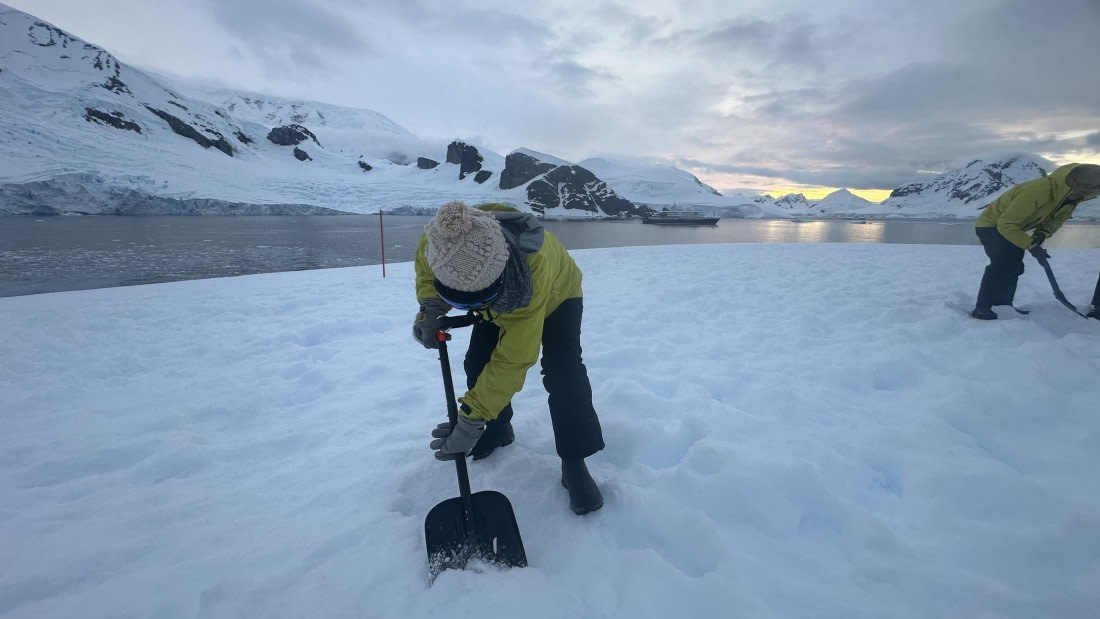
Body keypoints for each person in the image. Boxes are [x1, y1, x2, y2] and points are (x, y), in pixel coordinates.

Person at [411, 200, 605, 514]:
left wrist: (471, 419)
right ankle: (500, 428)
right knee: (477, 362)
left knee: (564, 373)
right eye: (461, 303)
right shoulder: (440, 240)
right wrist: (431, 307)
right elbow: (425, 267)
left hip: (557, 296)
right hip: (496, 302)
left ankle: (574, 460)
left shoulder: (534, 267)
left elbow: (513, 358)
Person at [971, 163, 1100, 320]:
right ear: (1074, 182)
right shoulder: (1039, 190)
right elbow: (1006, 224)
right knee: (1002, 262)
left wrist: (1041, 234)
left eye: (1094, 189)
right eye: (1086, 189)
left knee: (1014, 265)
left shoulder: (1072, 197)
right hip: (991, 225)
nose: (1088, 193)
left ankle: (1003, 306)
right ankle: (983, 307)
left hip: (1012, 228)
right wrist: (1031, 246)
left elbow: (1056, 219)